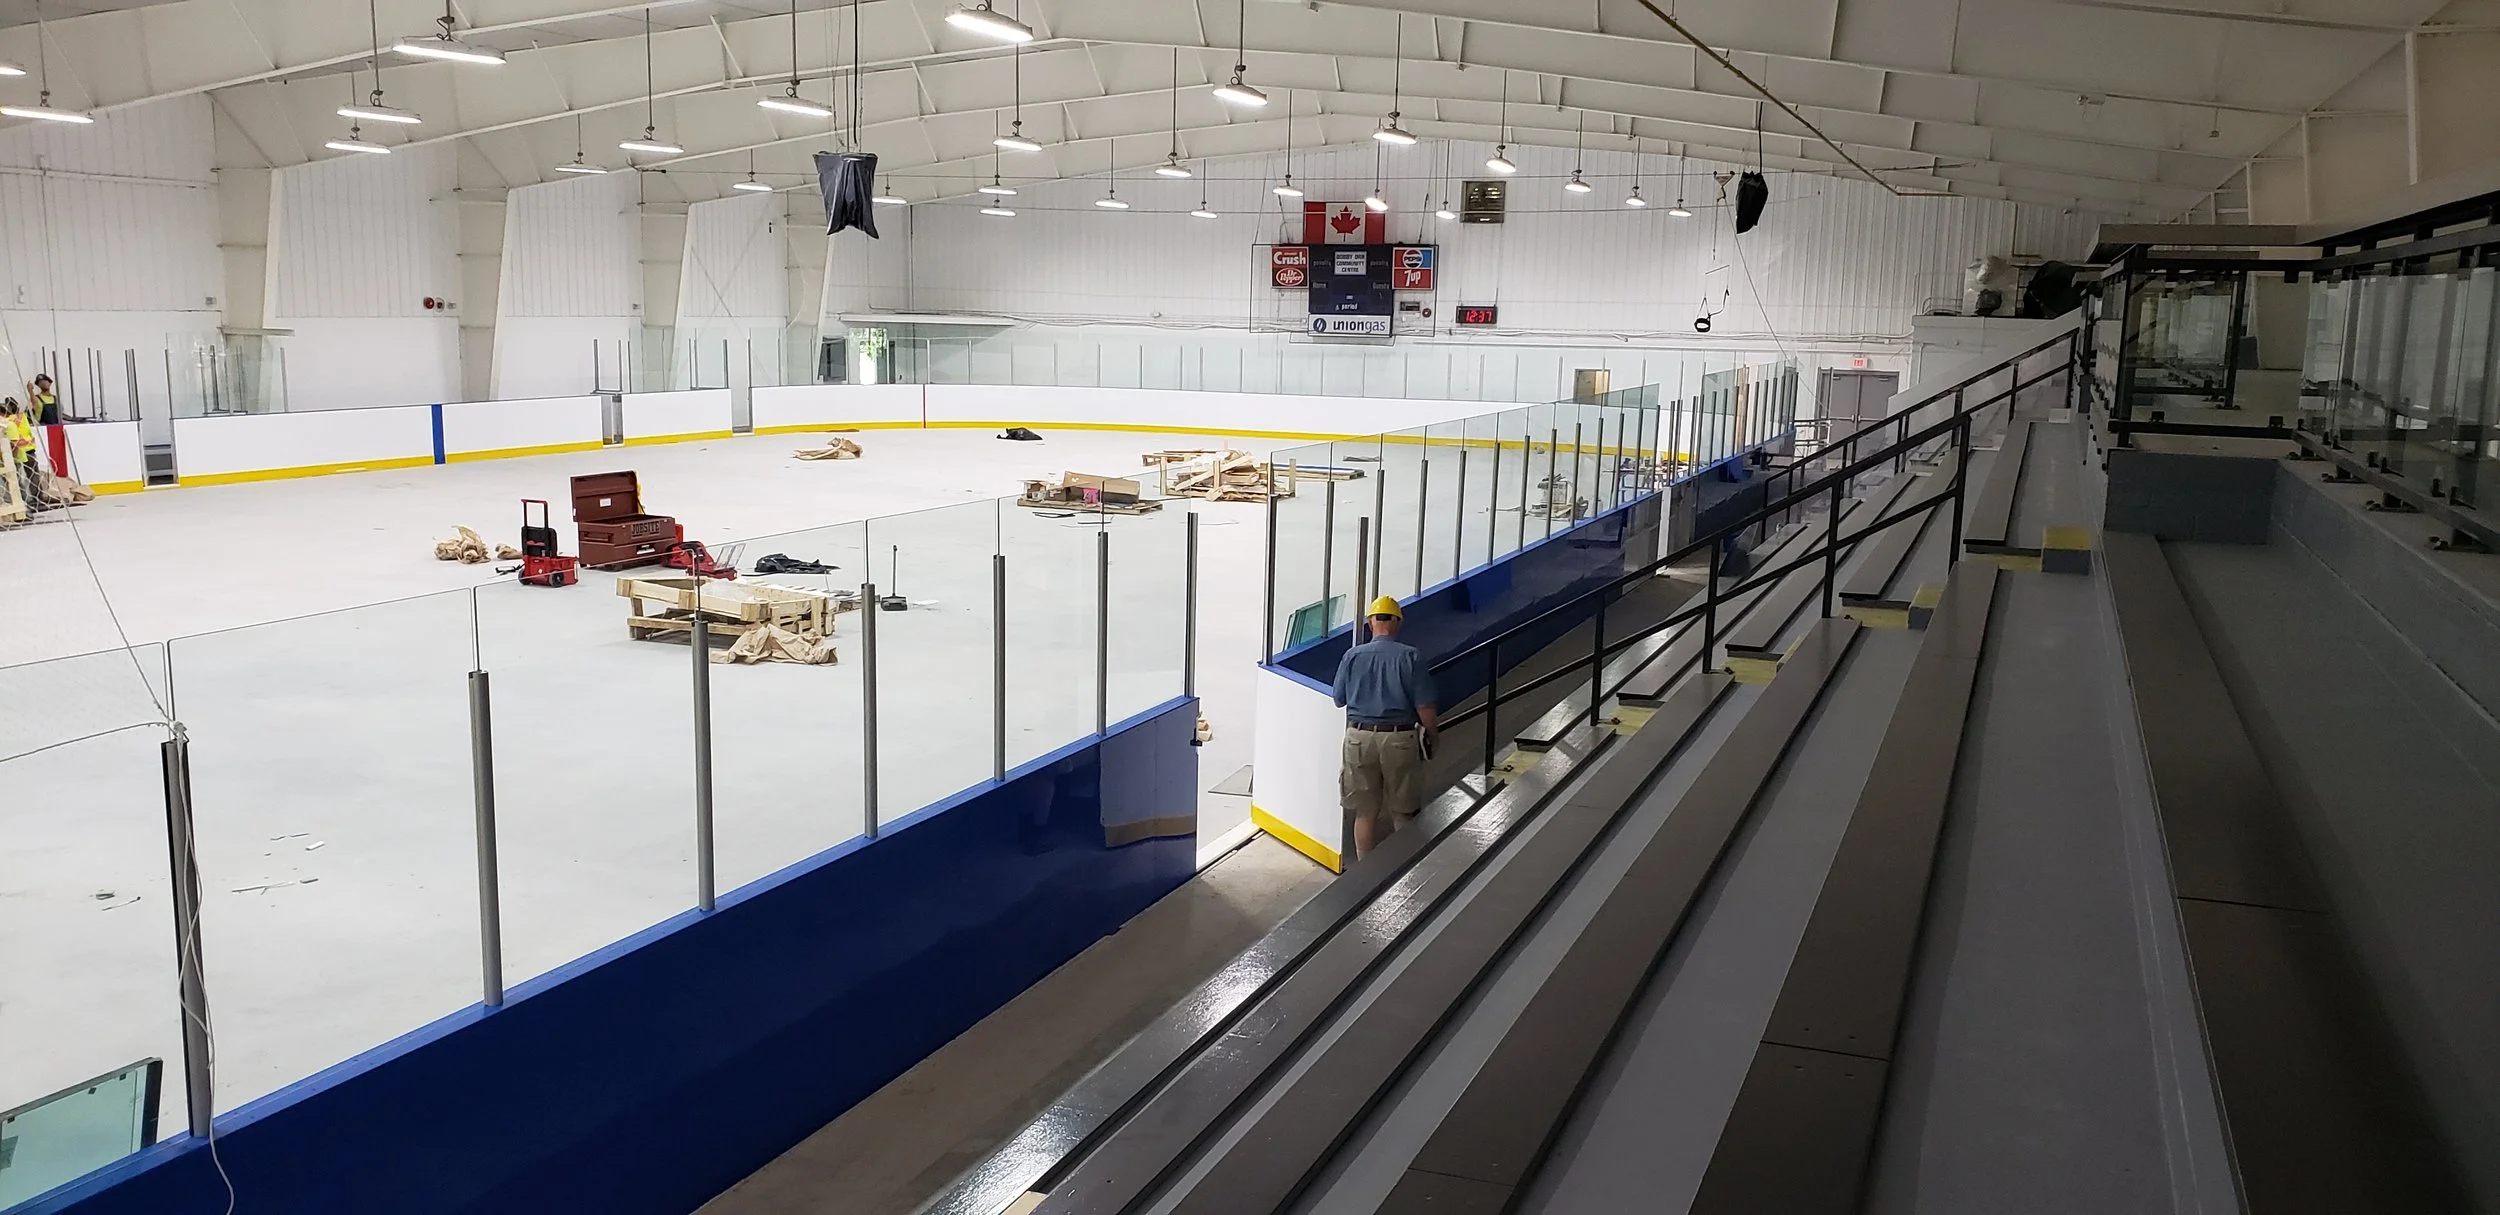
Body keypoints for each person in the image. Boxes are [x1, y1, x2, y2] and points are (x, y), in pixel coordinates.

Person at [1332, 595, 1439, 860]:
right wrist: (1432, 738)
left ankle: (1364, 872)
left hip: (1358, 738)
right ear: (1398, 623)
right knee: (1402, 810)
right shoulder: (1410, 657)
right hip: (1399, 739)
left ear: (1370, 624)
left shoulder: (1352, 656)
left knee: (1365, 811)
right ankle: (1403, 870)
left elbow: (1338, 698)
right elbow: (1425, 706)